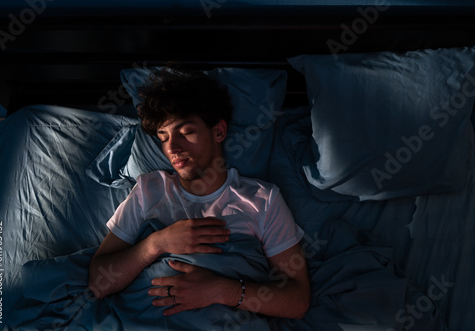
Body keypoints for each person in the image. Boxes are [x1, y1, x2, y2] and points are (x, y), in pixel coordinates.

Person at [88, 67, 310, 319]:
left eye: (185, 132)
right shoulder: (149, 190)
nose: (172, 147)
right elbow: (98, 282)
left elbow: (297, 300)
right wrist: (156, 244)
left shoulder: (262, 199)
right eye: (163, 137)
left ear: (218, 131)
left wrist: (221, 291)